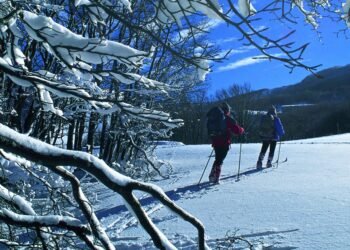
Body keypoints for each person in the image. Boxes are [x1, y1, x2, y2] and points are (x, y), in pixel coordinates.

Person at [209, 102, 244, 183]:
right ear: (227, 110)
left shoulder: (214, 117)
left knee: (218, 158)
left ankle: (212, 175)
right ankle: (216, 177)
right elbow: (237, 130)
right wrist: (242, 129)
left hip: (215, 140)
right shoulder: (227, 118)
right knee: (220, 159)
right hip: (224, 142)